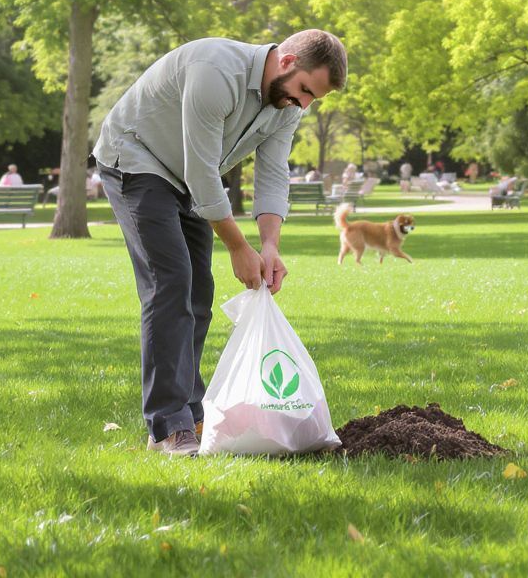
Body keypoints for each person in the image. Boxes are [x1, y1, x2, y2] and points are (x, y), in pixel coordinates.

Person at [93, 29, 346, 457]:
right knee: (170, 282)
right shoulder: (215, 71)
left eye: (312, 100)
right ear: (285, 61)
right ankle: (167, 428)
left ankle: (192, 412)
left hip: (187, 177)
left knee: (198, 293)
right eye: (304, 90)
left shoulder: (286, 107)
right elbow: (204, 172)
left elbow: (272, 175)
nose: (303, 105)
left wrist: (268, 245)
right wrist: (237, 247)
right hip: (137, 157)